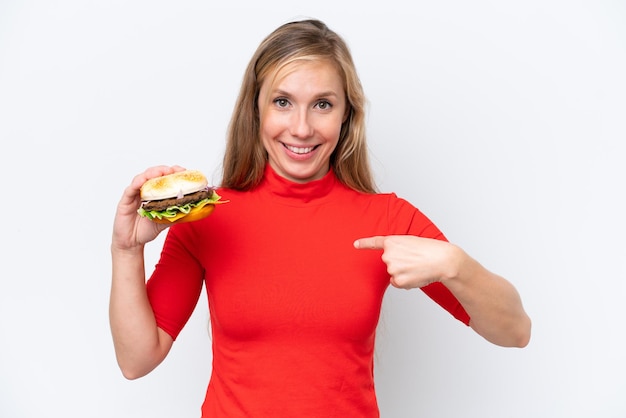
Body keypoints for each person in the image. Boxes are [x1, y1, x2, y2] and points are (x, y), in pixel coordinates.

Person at [109, 18, 531, 417]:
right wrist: (127, 249)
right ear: (256, 110)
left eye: (323, 105)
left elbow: (514, 332)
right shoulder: (208, 215)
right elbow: (137, 360)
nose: (302, 127)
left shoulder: (387, 217)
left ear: (347, 115)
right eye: (282, 102)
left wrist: (455, 265)